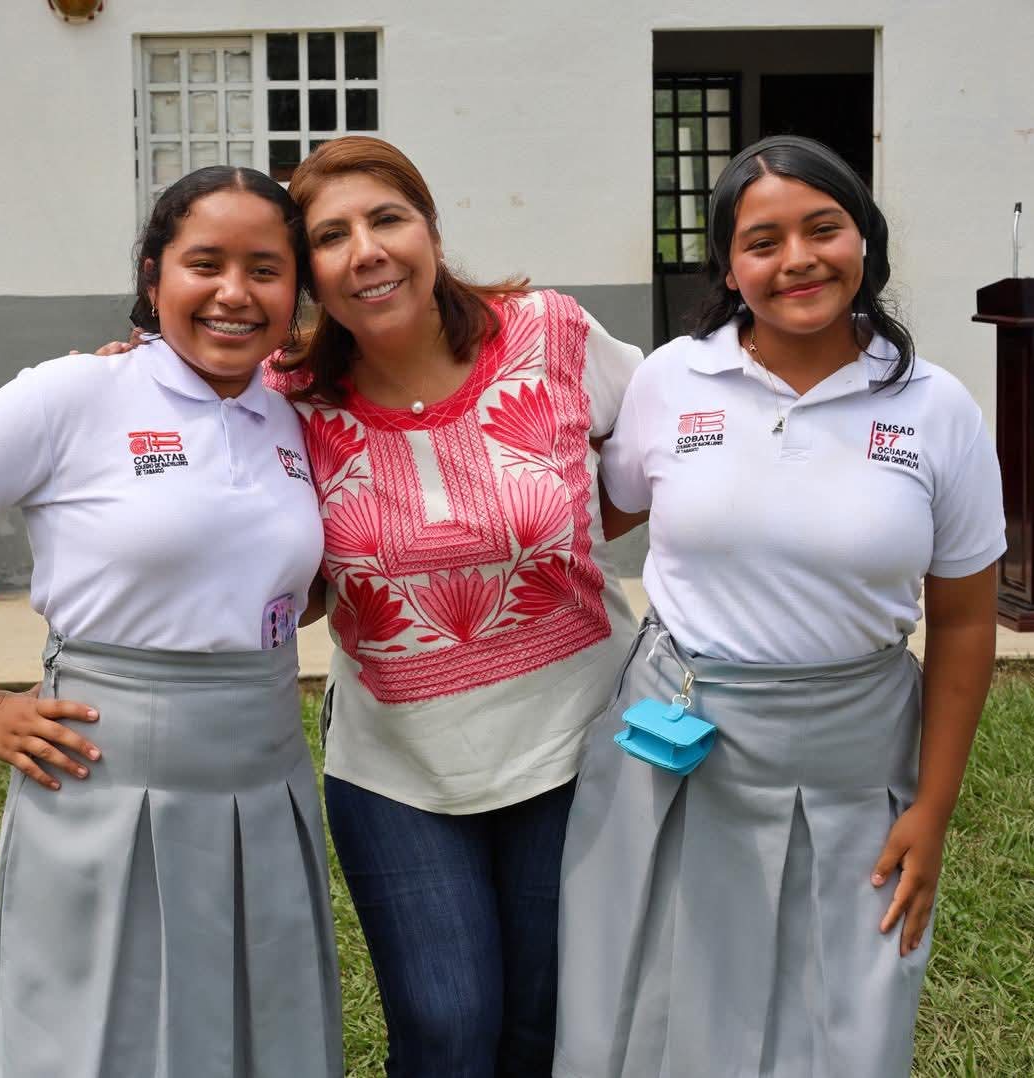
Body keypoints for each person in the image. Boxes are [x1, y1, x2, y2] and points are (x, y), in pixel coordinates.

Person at [0, 166, 342, 1077]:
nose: (234, 293)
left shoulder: (291, 418)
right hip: (108, 773)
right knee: (98, 1034)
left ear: (296, 294)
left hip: (265, 771)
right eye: (205, 263)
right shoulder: (73, 395)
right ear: (154, 277)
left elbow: (288, 581)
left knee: (256, 1025)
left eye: (265, 269)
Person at [553, 135, 1005, 1078]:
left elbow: (965, 622)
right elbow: (589, 509)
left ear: (865, 239)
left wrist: (932, 809)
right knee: (647, 1019)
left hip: (855, 763)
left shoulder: (936, 407)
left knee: (840, 1028)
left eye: (823, 229)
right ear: (729, 267)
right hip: (676, 756)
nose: (797, 259)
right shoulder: (672, 380)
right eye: (762, 242)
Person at [274, 136, 644, 1076]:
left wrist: (557, 531)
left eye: (387, 219)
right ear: (308, 274)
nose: (367, 250)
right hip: (399, 767)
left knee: (546, 1026)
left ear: (432, 233)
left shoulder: (549, 332)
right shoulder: (285, 399)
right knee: (446, 1029)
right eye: (331, 236)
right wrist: (121, 371)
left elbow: (665, 441)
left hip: (579, 742)